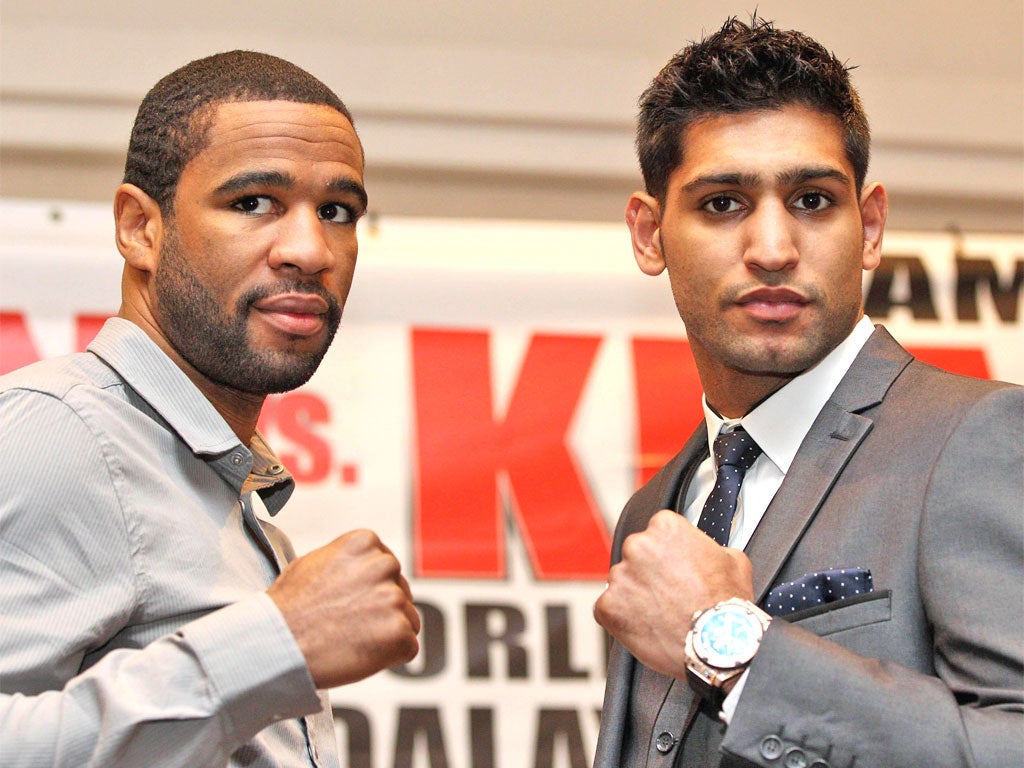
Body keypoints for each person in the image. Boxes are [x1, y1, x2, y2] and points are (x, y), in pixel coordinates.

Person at [592, 17, 1023, 768]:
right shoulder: (656, 509)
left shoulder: (974, 440)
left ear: (872, 225)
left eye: (813, 200)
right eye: (723, 202)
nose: (772, 249)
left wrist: (727, 644)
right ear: (649, 234)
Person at [0, 51, 421, 767]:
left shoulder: (225, 502)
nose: (309, 249)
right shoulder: (60, 433)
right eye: (254, 202)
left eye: (337, 212)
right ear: (140, 228)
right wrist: (274, 643)